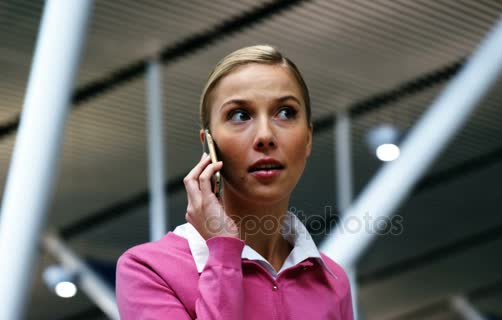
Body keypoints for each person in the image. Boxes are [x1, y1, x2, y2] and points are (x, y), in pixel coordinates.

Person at [116, 45, 354, 319]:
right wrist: (223, 252)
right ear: (209, 145)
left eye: (286, 113)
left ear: (308, 138)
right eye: (240, 115)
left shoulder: (334, 283)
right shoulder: (148, 270)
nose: (265, 135)